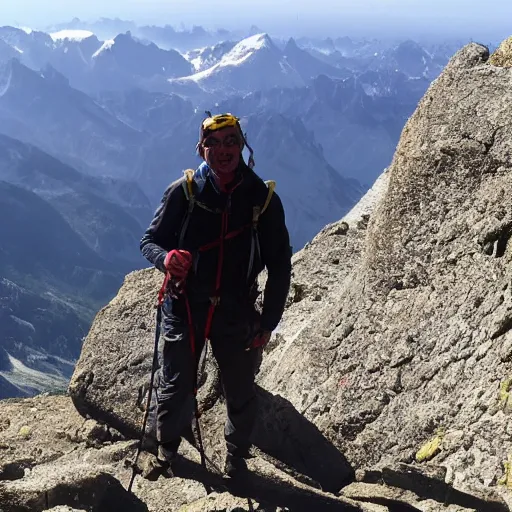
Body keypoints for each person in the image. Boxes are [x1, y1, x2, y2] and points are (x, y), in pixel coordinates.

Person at [140, 113, 292, 477]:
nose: (224, 150)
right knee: (176, 385)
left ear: (242, 146)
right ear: (201, 149)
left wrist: (269, 320)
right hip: (186, 304)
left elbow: (280, 266)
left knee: (240, 389)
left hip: (236, 308)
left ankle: (236, 457)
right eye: (215, 143)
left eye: (231, 142)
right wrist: (167, 259)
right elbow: (150, 242)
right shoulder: (184, 192)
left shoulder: (263, 199)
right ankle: (167, 451)